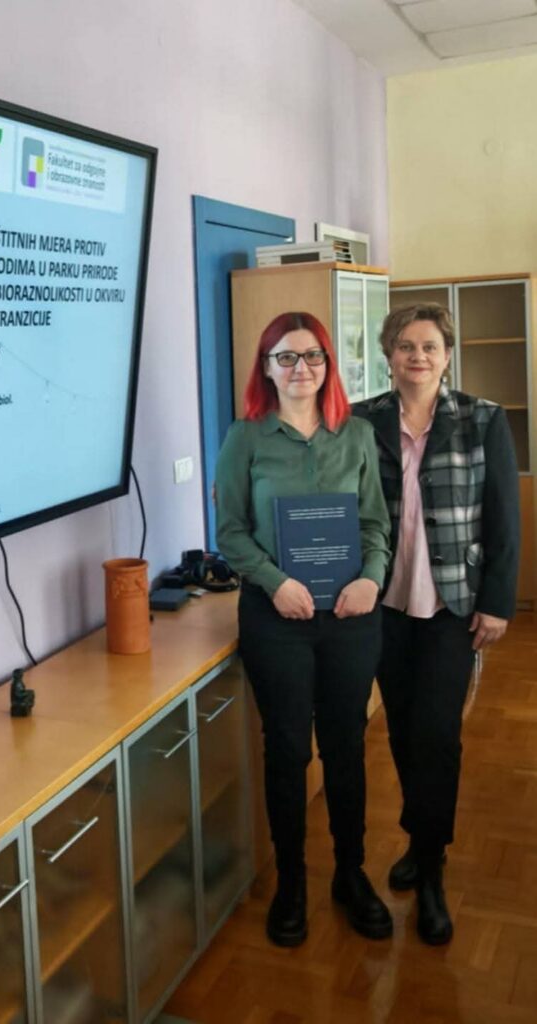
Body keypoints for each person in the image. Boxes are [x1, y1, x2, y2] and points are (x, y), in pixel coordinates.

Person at [215, 311, 392, 947]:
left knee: (345, 747)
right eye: (286, 357)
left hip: (349, 616)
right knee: (288, 750)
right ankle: (291, 881)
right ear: (266, 368)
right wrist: (274, 581)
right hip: (277, 619)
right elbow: (231, 531)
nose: (301, 368)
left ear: (327, 365)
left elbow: (375, 523)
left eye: (312, 355)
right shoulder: (245, 438)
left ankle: (350, 873)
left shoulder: (357, 435)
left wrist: (371, 577)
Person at [353, 303, 519, 945]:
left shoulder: (483, 419)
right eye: (405, 345)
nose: (416, 356)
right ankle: (419, 840)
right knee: (401, 731)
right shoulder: (362, 420)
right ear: (388, 355)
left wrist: (497, 601)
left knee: (439, 736)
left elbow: (503, 518)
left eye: (429, 346)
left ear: (447, 355)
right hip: (384, 604)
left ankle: (432, 869)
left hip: (452, 605)